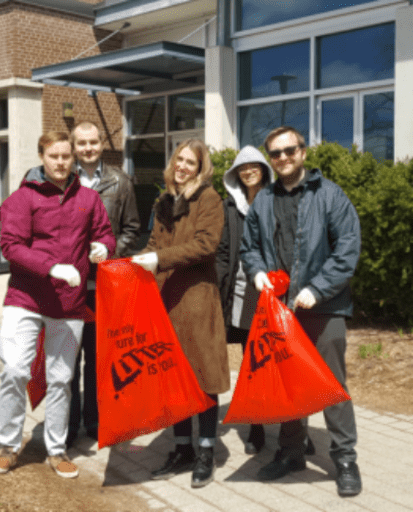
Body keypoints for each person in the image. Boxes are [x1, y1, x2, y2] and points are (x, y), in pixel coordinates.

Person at [239, 126, 363, 497]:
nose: (282, 158)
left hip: (324, 308)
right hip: (281, 311)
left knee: (331, 386)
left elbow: (347, 250)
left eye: (289, 150)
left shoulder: (330, 195)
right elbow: (250, 247)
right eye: (275, 154)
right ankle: (291, 452)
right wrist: (258, 272)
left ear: (303, 152)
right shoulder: (263, 201)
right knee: (290, 384)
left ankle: (344, 459)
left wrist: (316, 289)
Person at [0, 131, 115, 479]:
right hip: (25, 298)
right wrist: (51, 267)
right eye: (53, 156)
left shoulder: (88, 198)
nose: (61, 162)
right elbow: (11, 246)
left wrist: (104, 246)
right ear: (42, 157)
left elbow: (104, 231)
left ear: (73, 157)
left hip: (70, 304)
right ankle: (8, 446)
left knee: (61, 379)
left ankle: (56, 450)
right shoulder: (21, 199)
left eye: (65, 156)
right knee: (14, 370)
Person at [25, 121, 140, 447]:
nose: (88, 148)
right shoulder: (58, 178)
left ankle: (94, 419)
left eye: (93, 142)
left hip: (103, 287)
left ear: (101, 144)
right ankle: (68, 423)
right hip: (65, 288)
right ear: (72, 147)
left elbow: (133, 227)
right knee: (65, 359)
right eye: (82, 143)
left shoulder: (120, 181)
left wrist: (111, 247)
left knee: (99, 358)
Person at [131, 139, 229, 489]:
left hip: (197, 299)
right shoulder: (164, 201)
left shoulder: (209, 199)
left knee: (202, 375)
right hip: (167, 300)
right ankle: (182, 447)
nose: (183, 166)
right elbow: (156, 244)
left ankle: (206, 451)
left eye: (191, 161)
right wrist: (137, 262)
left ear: (201, 167)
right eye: (179, 160)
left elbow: (206, 245)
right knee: (175, 377)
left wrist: (159, 260)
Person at [215, 146, 272, 455]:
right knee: (250, 363)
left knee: (269, 363)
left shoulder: (277, 201)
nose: (248, 171)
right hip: (237, 295)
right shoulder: (229, 207)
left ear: (264, 168)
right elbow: (222, 252)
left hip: (267, 292)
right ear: (235, 173)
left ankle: (294, 428)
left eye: (254, 165)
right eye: (242, 167)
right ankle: (257, 427)